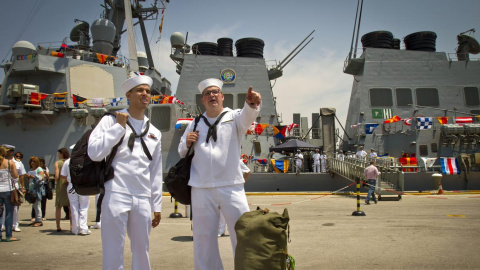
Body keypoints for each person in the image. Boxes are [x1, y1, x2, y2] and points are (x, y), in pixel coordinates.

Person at [178, 78, 261, 269]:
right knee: (203, 239)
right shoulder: (195, 122)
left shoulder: (234, 117)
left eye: (215, 92)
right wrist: (187, 142)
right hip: (201, 187)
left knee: (243, 234)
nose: (212, 95)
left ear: (222, 96)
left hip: (231, 186)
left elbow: (248, 117)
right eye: (207, 93)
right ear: (202, 100)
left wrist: (252, 104)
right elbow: (182, 151)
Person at [88, 72, 163, 270]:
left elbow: (155, 171)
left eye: (147, 91)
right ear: (128, 95)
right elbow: (94, 153)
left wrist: (157, 205)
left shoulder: (154, 131)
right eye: (139, 90)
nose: (145, 94)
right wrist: (118, 128)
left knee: (142, 249)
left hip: (142, 196)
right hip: (116, 193)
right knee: (113, 249)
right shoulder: (110, 120)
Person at [218, 159, 251, 237]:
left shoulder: (237, 160)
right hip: (225, 188)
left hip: (231, 189)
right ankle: (223, 230)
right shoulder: (228, 159)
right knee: (223, 210)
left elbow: (248, 171)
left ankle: (226, 230)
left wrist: (242, 183)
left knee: (232, 211)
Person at [61, 156, 90, 235]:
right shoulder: (86, 160)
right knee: (84, 206)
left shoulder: (67, 161)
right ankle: (83, 228)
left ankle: (75, 228)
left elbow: (62, 175)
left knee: (74, 207)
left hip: (72, 185)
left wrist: (70, 178)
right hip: (83, 185)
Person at [1, 146, 25, 233]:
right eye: (7, 151)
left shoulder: (18, 163)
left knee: (15, 207)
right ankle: (3, 226)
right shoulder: (3, 161)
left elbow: (21, 175)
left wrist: (22, 187)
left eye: (10, 151)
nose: (8, 153)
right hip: (6, 186)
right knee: (3, 208)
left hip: (14, 186)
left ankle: (15, 225)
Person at [0, 145, 20, 241]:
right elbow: (16, 176)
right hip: (7, 190)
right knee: (9, 213)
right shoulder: (9, 163)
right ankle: (8, 235)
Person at [25, 156, 45, 227]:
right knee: (34, 206)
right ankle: (36, 219)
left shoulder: (39, 169)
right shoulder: (31, 170)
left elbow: (42, 178)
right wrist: (28, 177)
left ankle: (39, 220)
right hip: (31, 189)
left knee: (37, 205)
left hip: (37, 190)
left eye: (34, 161)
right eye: (31, 161)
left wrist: (32, 177)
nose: (32, 163)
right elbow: (29, 181)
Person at [54, 148, 70, 232]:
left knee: (58, 206)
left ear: (61, 154)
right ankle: (72, 225)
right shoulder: (69, 162)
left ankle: (58, 226)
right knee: (70, 206)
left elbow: (57, 176)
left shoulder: (58, 163)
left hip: (61, 185)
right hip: (68, 184)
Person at [32, 157, 49, 222]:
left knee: (41, 202)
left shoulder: (42, 169)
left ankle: (41, 217)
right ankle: (34, 216)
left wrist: (46, 173)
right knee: (35, 203)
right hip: (34, 187)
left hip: (42, 187)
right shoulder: (35, 169)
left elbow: (44, 179)